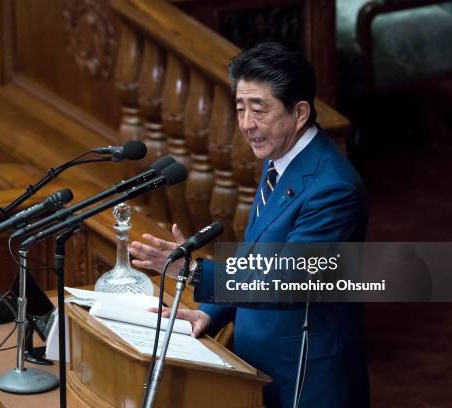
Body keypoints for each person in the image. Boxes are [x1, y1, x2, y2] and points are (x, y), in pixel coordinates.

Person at [129, 42, 370, 408]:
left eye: (258, 109)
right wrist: (210, 312)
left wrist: (195, 274)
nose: (246, 124)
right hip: (258, 364)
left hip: (306, 378)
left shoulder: (333, 188)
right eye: (240, 108)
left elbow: (286, 280)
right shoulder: (280, 157)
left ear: (300, 112)